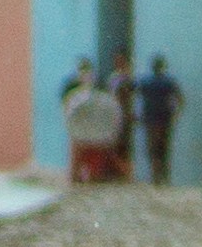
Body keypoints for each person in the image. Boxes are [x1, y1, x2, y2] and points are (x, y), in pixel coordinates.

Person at [63, 70, 127, 183]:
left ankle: (75, 177)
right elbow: (118, 119)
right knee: (109, 154)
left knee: (75, 149)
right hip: (105, 140)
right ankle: (103, 175)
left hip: (82, 139)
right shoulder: (111, 101)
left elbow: (71, 114)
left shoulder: (81, 98)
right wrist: (113, 136)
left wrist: (74, 130)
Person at [136, 55, 186, 186]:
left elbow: (136, 96)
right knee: (164, 148)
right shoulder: (169, 82)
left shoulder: (145, 82)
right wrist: (176, 114)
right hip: (165, 118)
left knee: (152, 148)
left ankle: (155, 177)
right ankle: (165, 177)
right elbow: (180, 99)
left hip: (150, 119)